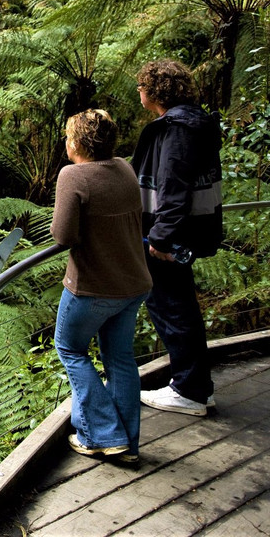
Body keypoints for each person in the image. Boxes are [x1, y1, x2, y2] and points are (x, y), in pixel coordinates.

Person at [52, 109, 152, 463]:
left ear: (78, 142)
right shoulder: (123, 167)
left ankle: (102, 435)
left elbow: (63, 235)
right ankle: (127, 445)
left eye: (67, 136)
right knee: (120, 359)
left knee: (70, 349)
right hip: (134, 281)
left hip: (93, 288)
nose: (65, 142)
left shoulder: (74, 176)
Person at [132, 59, 223, 417]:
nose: (139, 92)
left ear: (154, 91)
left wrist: (161, 237)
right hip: (187, 230)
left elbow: (173, 187)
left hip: (171, 236)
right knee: (181, 306)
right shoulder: (194, 123)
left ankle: (189, 390)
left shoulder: (177, 129)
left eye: (141, 86)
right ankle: (196, 386)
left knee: (172, 309)